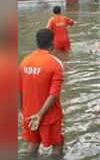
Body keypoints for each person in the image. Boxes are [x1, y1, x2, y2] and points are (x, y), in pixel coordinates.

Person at [18, 29, 65, 159]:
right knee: (57, 145)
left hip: (28, 113)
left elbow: (19, 90)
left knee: (32, 145)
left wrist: (21, 111)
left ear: (37, 42)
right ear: (52, 43)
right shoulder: (55, 63)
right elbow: (54, 94)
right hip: (49, 115)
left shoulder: (24, 62)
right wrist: (40, 115)